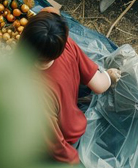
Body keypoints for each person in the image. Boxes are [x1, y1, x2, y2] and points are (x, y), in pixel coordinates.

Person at [20, 9, 121, 164]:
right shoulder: (67, 45)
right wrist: (109, 75)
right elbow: (99, 85)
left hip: (65, 137)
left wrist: (74, 161)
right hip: (73, 121)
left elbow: (54, 144)